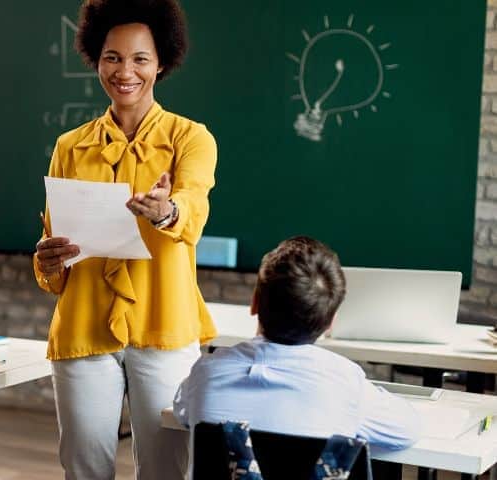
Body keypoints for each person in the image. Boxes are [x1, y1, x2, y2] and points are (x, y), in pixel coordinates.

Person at [32, 0, 216, 477]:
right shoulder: (69, 147)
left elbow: (194, 206)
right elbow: (53, 255)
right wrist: (49, 261)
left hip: (163, 324)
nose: (125, 71)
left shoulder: (191, 138)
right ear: (97, 59)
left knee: (166, 471)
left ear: (161, 63)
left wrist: (167, 210)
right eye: (112, 57)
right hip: (83, 325)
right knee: (84, 469)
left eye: (140, 59)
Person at [173, 236, 421, 451]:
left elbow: (182, 410)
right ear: (330, 322)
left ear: (255, 303)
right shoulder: (345, 384)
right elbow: (408, 430)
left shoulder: (206, 373)